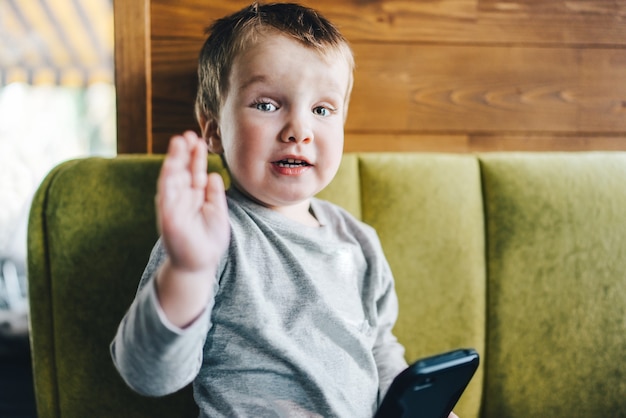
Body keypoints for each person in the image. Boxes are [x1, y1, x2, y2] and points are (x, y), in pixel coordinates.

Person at [111, 3, 458, 417]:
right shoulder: (208, 236)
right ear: (214, 130)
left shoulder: (359, 242)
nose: (299, 130)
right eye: (267, 104)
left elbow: (380, 350)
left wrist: (425, 408)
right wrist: (188, 271)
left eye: (322, 110)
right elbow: (148, 375)